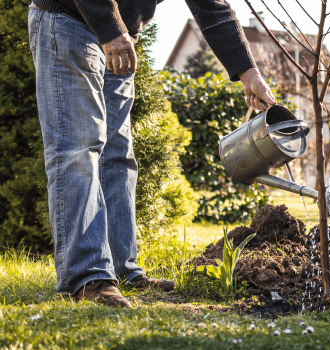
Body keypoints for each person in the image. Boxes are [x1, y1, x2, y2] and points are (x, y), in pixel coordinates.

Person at [28, 0, 276, 308]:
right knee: (80, 150)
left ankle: (123, 269)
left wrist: (248, 72)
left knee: (117, 157)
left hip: (120, 37)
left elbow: (211, 6)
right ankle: (88, 277)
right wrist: (111, 30)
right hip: (70, 21)